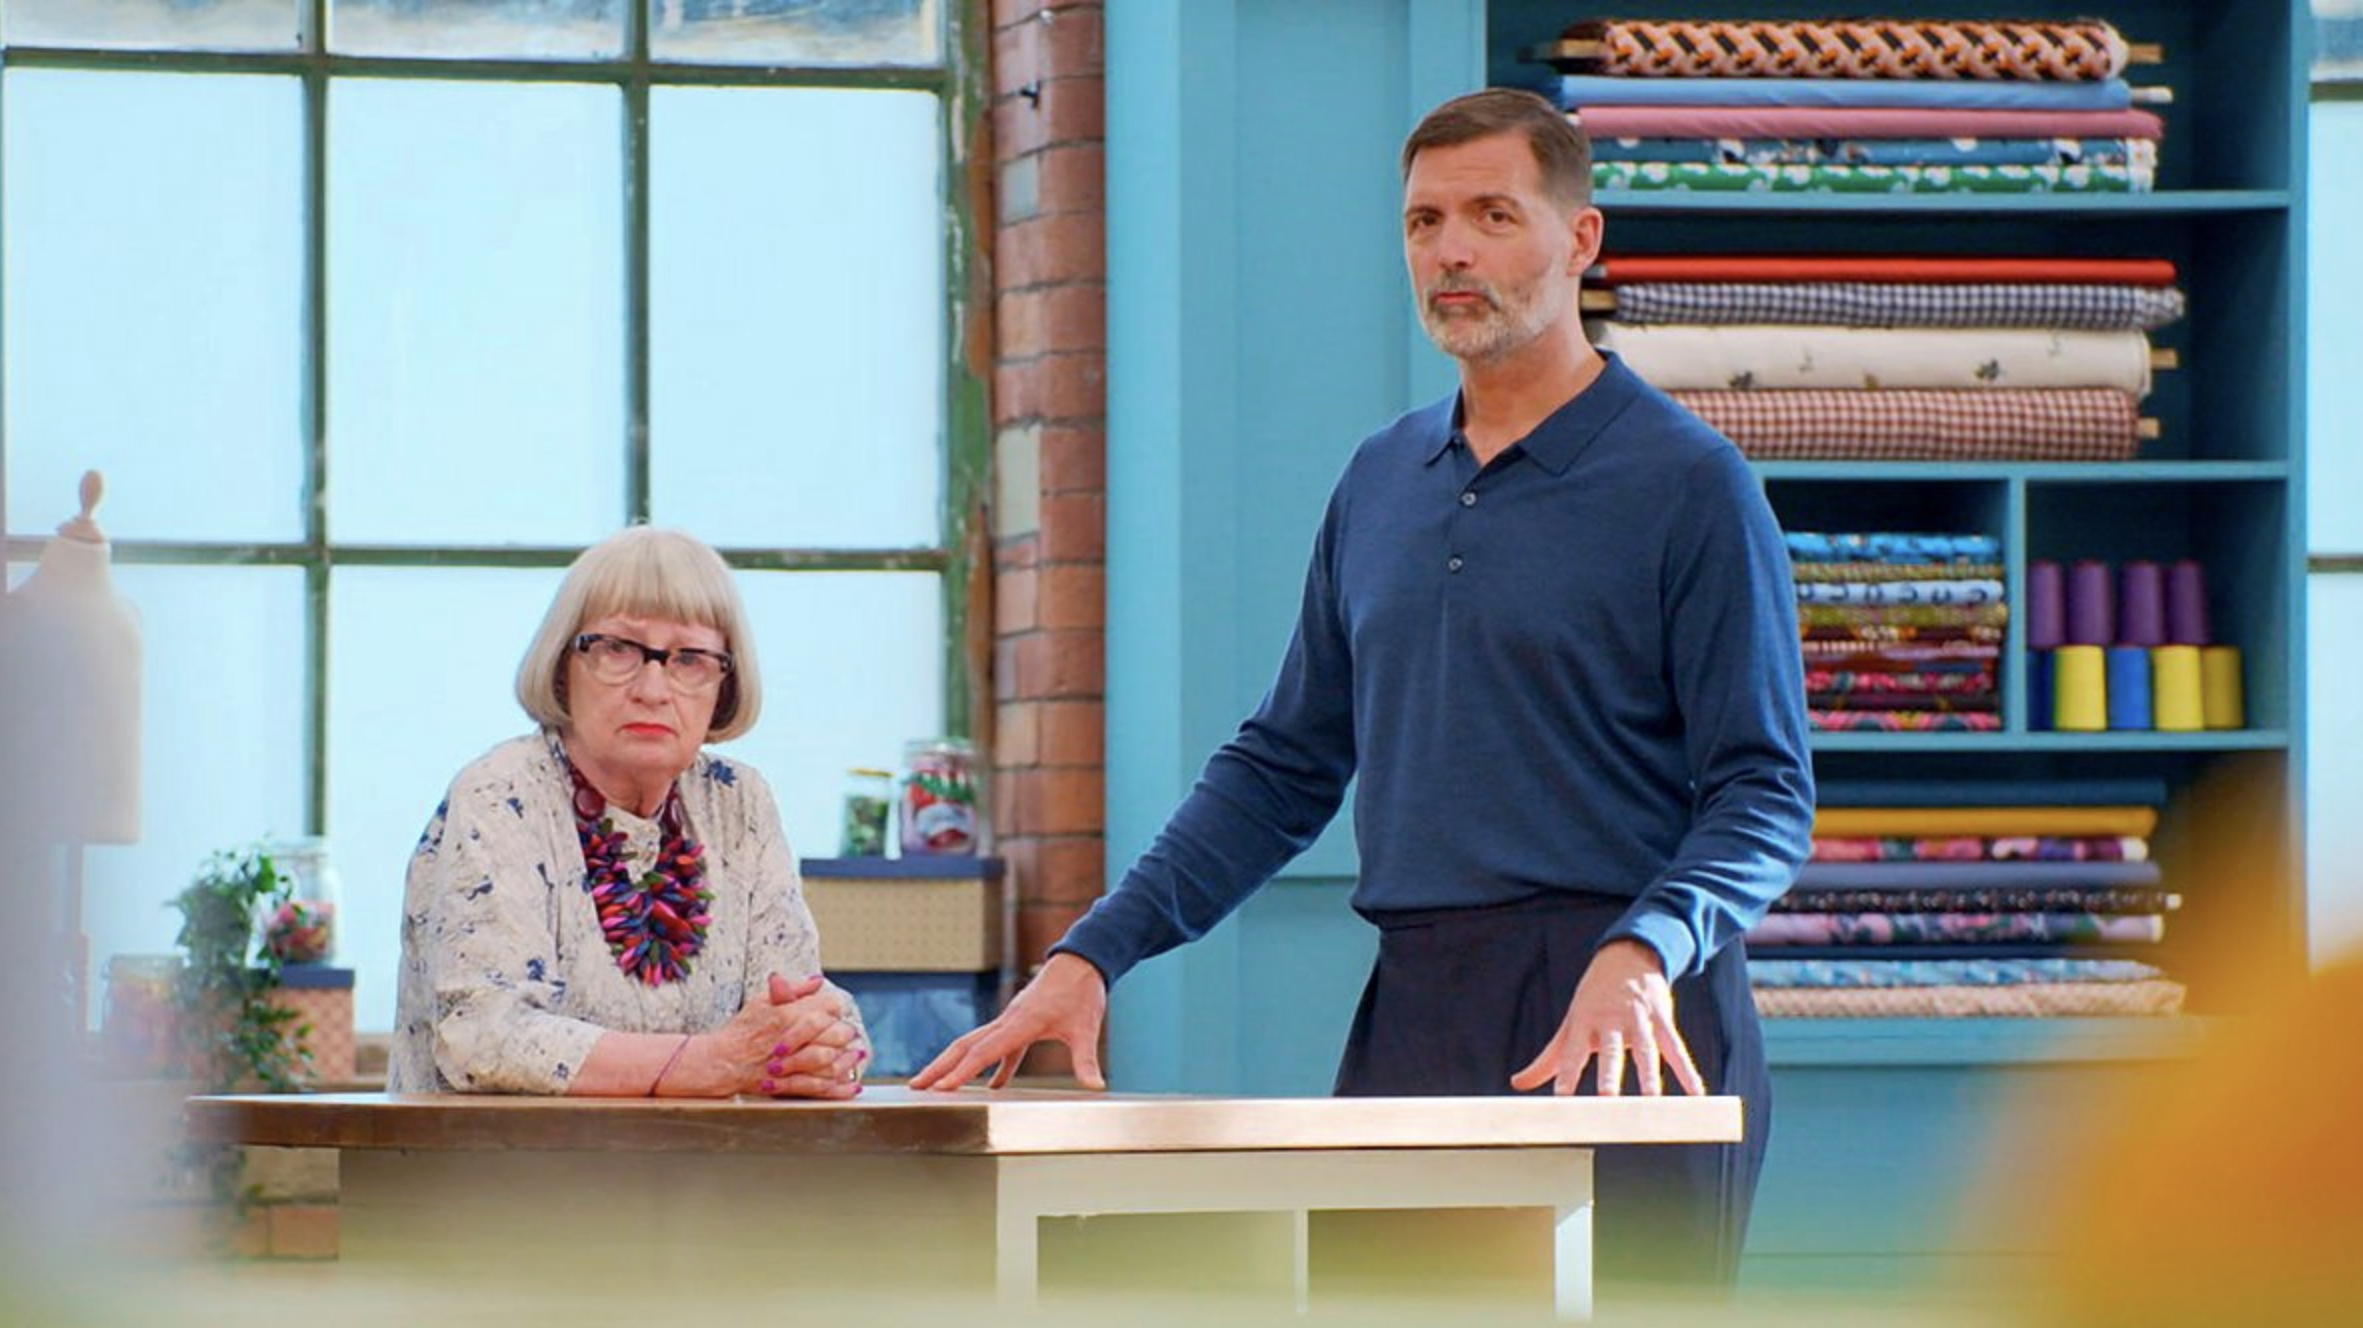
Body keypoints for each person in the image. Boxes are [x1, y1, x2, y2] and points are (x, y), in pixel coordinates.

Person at [914, 88, 1814, 1285]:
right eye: (1423, 221)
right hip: (1416, 1007)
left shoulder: (1691, 484)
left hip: (1629, 1018)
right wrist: (1089, 956)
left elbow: (1763, 794)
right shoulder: (1379, 478)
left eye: (1492, 215)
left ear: (1579, 239)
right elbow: (1279, 768)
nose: (1450, 250)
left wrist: (1645, 947)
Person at [389, 525, 868, 1098]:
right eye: (618, 649)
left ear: (724, 683)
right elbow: (484, 1037)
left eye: (690, 658)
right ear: (562, 666)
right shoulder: (500, 795)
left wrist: (824, 1048)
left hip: (711, 1158)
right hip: (499, 1156)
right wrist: (709, 1063)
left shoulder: (738, 802)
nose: (653, 689)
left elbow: (797, 1007)